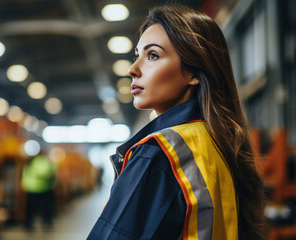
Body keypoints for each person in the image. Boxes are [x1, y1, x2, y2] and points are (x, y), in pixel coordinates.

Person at [88, 4, 265, 240]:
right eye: (137, 56)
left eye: (152, 55)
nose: (133, 69)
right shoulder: (219, 144)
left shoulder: (159, 154)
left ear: (193, 72)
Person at [21, 153, 56, 229]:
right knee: (46, 207)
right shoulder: (42, 161)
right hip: (42, 187)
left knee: (30, 208)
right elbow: (45, 172)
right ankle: (47, 222)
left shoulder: (29, 161)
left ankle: (28, 224)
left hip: (30, 187)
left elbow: (24, 174)